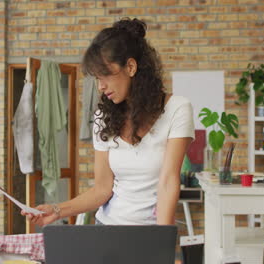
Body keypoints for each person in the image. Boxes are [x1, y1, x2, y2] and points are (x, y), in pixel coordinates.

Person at [22, 17, 194, 226]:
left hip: (149, 232)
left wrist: (162, 243)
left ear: (130, 67)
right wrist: (57, 210)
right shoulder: (103, 118)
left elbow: (168, 183)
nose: (101, 87)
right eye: (96, 78)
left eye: (105, 75)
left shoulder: (177, 109)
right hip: (107, 227)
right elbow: (102, 190)